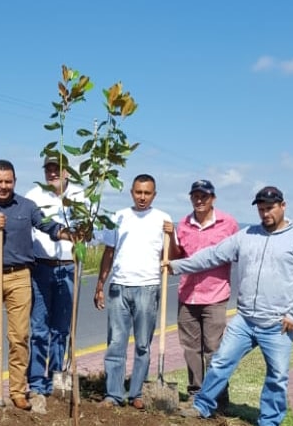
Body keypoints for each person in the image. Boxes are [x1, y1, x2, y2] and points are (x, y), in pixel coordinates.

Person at [174, 186, 293, 426]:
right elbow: (212, 256)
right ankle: (203, 406)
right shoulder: (247, 235)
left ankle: (269, 424)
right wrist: (177, 265)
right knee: (220, 362)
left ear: (283, 206)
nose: (265, 214)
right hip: (245, 319)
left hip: (278, 323)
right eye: (261, 209)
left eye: (270, 208)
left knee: (277, 375)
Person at [0, 159, 70, 411]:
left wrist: (66, 233)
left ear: (14, 181)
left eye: (8, 181)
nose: (3, 186)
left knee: (19, 336)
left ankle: (18, 390)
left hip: (20, 275)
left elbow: (46, 225)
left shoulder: (27, 205)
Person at [94, 174, 175, 408]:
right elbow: (108, 252)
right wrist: (100, 284)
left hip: (148, 288)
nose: (142, 197)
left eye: (147, 193)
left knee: (142, 344)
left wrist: (171, 235)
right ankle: (113, 394)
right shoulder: (119, 217)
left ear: (154, 195)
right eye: (138, 192)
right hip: (120, 286)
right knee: (116, 342)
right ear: (131, 192)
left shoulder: (163, 219)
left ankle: (137, 393)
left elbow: (173, 255)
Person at [170, 180, 239, 408]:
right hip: (188, 295)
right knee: (190, 348)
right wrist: (170, 239)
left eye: (204, 197)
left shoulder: (227, 224)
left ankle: (219, 393)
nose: (199, 201)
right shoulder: (183, 224)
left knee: (214, 349)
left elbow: (236, 254)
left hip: (215, 295)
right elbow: (178, 255)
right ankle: (195, 392)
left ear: (213, 199)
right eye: (195, 197)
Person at [25, 155, 85, 397]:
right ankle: (38, 383)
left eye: (57, 170)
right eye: (48, 169)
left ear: (67, 172)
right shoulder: (34, 197)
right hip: (41, 266)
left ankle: (57, 378)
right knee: (39, 328)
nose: (52, 174)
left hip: (68, 266)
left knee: (61, 329)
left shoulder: (81, 198)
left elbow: (89, 230)